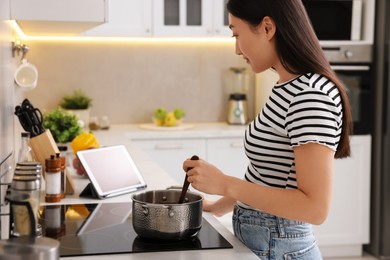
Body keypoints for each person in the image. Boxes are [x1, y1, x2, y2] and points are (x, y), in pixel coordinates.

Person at [183, 0, 352, 259]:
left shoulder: (310, 95)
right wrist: (219, 205)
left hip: (281, 247)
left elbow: (315, 208)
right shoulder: (289, 86)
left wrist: (226, 184)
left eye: (236, 34)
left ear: (267, 27)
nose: (237, 49)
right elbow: (267, 176)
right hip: (268, 242)